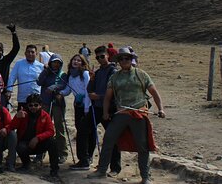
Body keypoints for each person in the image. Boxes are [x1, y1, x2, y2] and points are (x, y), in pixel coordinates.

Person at [88, 47, 166, 184]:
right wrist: (105, 112)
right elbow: (107, 97)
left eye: (127, 58)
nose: (124, 61)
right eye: (122, 58)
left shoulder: (141, 74)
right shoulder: (115, 77)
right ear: (118, 61)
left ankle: (145, 177)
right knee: (108, 140)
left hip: (139, 113)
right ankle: (101, 170)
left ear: (131, 60)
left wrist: (161, 109)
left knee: (142, 146)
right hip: (121, 113)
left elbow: (154, 92)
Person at [87, 45, 121, 176]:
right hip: (97, 108)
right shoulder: (99, 72)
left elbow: (112, 93)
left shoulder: (113, 71)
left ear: (108, 56)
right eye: (98, 57)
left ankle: (115, 168)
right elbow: (90, 90)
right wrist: (91, 80)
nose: (100, 59)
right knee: (86, 129)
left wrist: (98, 96)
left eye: (102, 56)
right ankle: (87, 158)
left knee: (112, 137)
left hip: (110, 109)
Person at [10, 93, 59, 178]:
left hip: (39, 144)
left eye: (36, 105)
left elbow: (51, 131)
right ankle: (26, 164)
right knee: (20, 146)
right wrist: (17, 117)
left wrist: (37, 138)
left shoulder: (45, 115)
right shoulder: (22, 114)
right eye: (30, 105)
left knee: (52, 142)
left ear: (40, 105)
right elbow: (11, 127)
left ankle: (54, 169)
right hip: (25, 144)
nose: (33, 107)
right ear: (27, 106)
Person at [60, 54, 93, 170]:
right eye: (74, 59)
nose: (76, 62)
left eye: (79, 60)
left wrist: (86, 108)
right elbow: (68, 90)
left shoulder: (84, 74)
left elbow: (88, 90)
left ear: (82, 63)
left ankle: (85, 159)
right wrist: (61, 93)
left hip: (87, 105)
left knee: (84, 132)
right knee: (81, 130)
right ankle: (85, 158)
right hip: (78, 105)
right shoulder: (71, 75)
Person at [36, 53, 68, 163]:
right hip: (45, 102)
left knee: (59, 127)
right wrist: (45, 71)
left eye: (58, 63)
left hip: (57, 104)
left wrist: (54, 87)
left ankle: (62, 153)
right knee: (43, 127)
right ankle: (40, 153)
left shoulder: (63, 75)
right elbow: (39, 82)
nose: (56, 64)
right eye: (54, 62)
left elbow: (64, 85)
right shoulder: (46, 73)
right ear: (50, 62)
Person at [5, 44, 43, 110]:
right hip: (22, 98)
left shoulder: (41, 66)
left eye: (32, 52)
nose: (30, 54)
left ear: (36, 53)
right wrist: (9, 90)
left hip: (36, 100)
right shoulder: (19, 64)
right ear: (25, 53)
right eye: (28, 52)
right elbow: (12, 77)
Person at [0, 23, 20, 105]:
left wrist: (14, 33)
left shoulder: (6, 60)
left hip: (3, 92)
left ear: (2, 52)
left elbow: (16, 48)